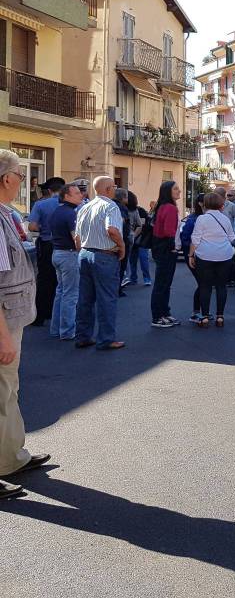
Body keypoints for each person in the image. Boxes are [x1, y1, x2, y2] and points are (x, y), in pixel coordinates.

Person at [0, 150, 51, 500]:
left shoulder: (7, 214)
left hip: (11, 318)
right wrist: (2, 336)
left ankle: (10, 458)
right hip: (3, 322)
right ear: (6, 179)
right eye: (21, 174)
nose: (25, 181)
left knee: (8, 390)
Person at [73, 176, 126, 350]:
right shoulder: (111, 206)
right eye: (114, 186)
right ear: (109, 189)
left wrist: (82, 251)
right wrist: (121, 245)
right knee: (107, 298)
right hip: (104, 255)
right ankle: (106, 339)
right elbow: (111, 229)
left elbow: (77, 237)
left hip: (85, 253)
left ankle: (83, 336)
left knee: (85, 298)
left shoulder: (84, 207)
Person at [188, 192, 235, 328]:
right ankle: (220, 316)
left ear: (206, 204)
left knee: (205, 286)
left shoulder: (202, 219)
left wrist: (191, 255)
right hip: (224, 255)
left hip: (205, 256)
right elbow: (232, 238)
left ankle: (205, 316)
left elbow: (195, 239)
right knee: (221, 286)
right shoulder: (225, 219)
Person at [49, 183, 83, 343]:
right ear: (67, 196)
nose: (80, 195)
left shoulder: (57, 211)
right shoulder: (71, 213)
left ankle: (56, 329)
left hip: (57, 253)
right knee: (70, 294)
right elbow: (76, 237)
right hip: (68, 255)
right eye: (76, 193)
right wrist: (80, 251)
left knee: (61, 292)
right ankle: (68, 331)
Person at [27, 177, 63, 326]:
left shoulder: (41, 204)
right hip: (65, 246)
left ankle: (41, 315)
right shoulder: (71, 205)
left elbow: (32, 227)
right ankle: (59, 315)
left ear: (49, 190)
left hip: (47, 244)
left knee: (43, 279)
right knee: (61, 282)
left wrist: (44, 228)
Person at [150, 180, 182, 329]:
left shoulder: (162, 206)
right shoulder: (170, 208)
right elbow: (169, 231)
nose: (179, 191)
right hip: (166, 250)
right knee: (163, 284)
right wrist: (173, 248)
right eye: (176, 189)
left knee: (163, 284)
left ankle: (164, 313)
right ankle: (158, 316)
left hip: (159, 248)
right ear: (168, 191)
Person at [179, 198, 204, 323]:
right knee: (203, 282)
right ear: (201, 203)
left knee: (205, 283)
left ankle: (202, 311)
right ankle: (196, 312)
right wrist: (191, 254)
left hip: (204, 255)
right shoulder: (193, 219)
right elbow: (186, 239)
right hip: (195, 255)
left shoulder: (206, 217)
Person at [129, 196, 152, 286]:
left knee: (143, 259)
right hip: (136, 239)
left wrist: (133, 235)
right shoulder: (126, 210)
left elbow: (142, 225)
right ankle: (134, 278)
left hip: (141, 240)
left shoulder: (140, 211)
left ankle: (146, 278)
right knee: (133, 260)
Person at [113, 188, 132, 296]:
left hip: (114, 241)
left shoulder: (112, 205)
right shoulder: (121, 208)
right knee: (120, 266)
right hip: (121, 240)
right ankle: (117, 289)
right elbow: (122, 224)